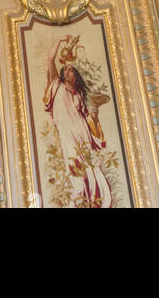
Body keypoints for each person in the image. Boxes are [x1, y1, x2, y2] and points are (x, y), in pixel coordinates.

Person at [43, 35, 111, 208]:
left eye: (71, 70)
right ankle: (78, 201)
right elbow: (50, 58)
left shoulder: (79, 95)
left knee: (91, 169)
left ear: (76, 75)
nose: (67, 71)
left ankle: (95, 202)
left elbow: (87, 118)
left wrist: (94, 116)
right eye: (65, 69)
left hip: (82, 133)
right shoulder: (56, 85)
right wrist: (59, 41)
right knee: (75, 168)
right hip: (67, 133)